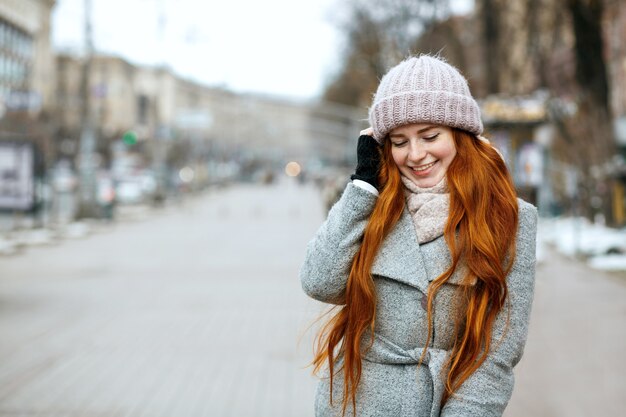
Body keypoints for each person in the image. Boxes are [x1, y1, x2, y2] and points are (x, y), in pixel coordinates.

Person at [300, 55, 538, 417]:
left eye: (430, 136)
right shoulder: (373, 205)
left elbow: (495, 357)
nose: (415, 155)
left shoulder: (507, 219)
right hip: (352, 404)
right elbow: (319, 281)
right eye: (399, 141)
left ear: (460, 135)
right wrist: (363, 185)